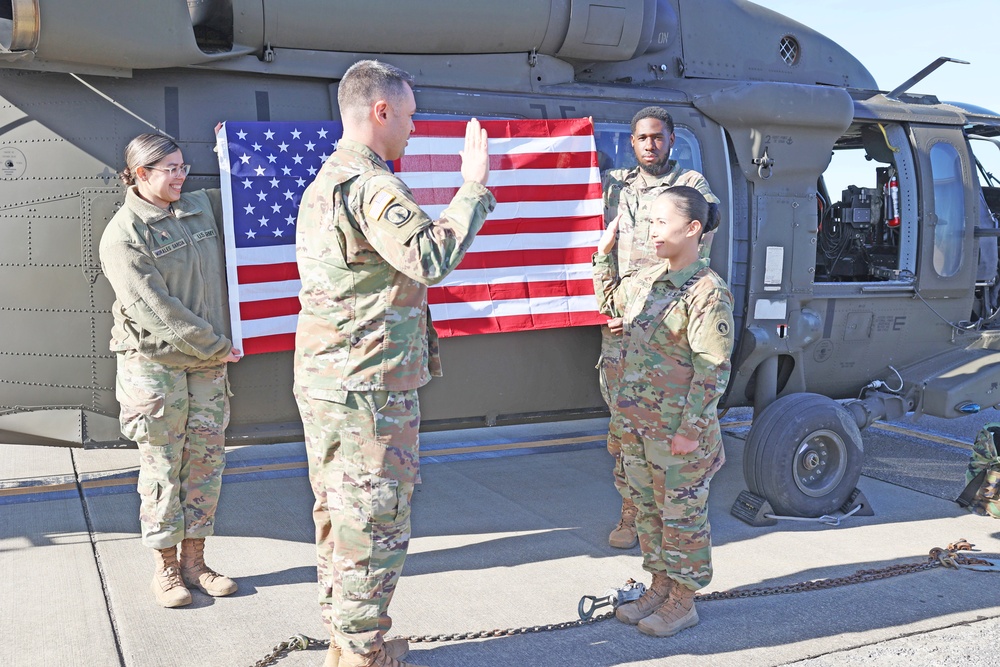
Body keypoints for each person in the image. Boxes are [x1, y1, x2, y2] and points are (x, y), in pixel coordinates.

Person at [293, 59, 494, 667]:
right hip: (369, 388)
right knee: (373, 526)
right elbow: (428, 257)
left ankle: (346, 640)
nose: (413, 125)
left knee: (337, 517)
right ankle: (360, 655)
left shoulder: (327, 180)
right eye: (408, 114)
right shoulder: (372, 185)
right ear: (380, 111)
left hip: (330, 380)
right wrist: (474, 187)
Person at [99, 131, 242, 609]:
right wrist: (217, 345)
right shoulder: (124, 235)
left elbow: (250, 191)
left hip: (206, 362)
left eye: (184, 166)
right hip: (155, 364)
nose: (183, 175)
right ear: (141, 174)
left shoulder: (198, 208)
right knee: (163, 463)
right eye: (171, 169)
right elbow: (155, 310)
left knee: (205, 459)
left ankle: (195, 562)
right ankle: (165, 569)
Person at [592, 186, 734, 637]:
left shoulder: (707, 292)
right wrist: (603, 256)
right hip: (638, 427)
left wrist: (692, 431)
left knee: (683, 521)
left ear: (692, 229)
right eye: (649, 221)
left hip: (677, 433)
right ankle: (657, 587)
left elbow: (712, 369)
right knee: (648, 512)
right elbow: (611, 303)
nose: (650, 230)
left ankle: (683, 600)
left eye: (659, 221)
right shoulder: (651, 278)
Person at [599, 106, 720, 549]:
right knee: (623, 421)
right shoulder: (614, 185)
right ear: (631, 143)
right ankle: (631, 513)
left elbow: (707, 226)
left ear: (671, 140)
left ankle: (673, 514)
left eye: (658, 137)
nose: (650, 145)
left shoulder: (690, 186)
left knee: (667, 419)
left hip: (669, 317)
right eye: (642, 138)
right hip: (623, 315)